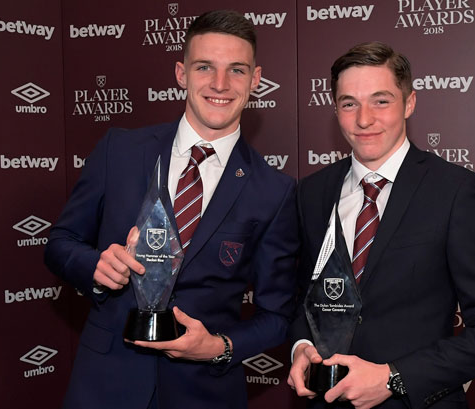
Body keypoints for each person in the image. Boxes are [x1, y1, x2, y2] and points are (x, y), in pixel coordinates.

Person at [44, 10, 298, 409]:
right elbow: (60, 242)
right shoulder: (119, 151)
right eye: (204, 67)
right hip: (105, 385)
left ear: (256, 79)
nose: (219, 84)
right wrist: (94, 267)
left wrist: (218, 346)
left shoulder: (275, 190)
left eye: (236, 70)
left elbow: (277, 316)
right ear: (181, 74)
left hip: (205, 392)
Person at [287, 42, 475, 409]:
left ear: (409, 102)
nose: (364, 119)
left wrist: (394, 377)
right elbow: (306, 296)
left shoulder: (455, 191)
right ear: (335, 109)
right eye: (349, 103)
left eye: (381, 101)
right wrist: (302, 346)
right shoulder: (313, 192)